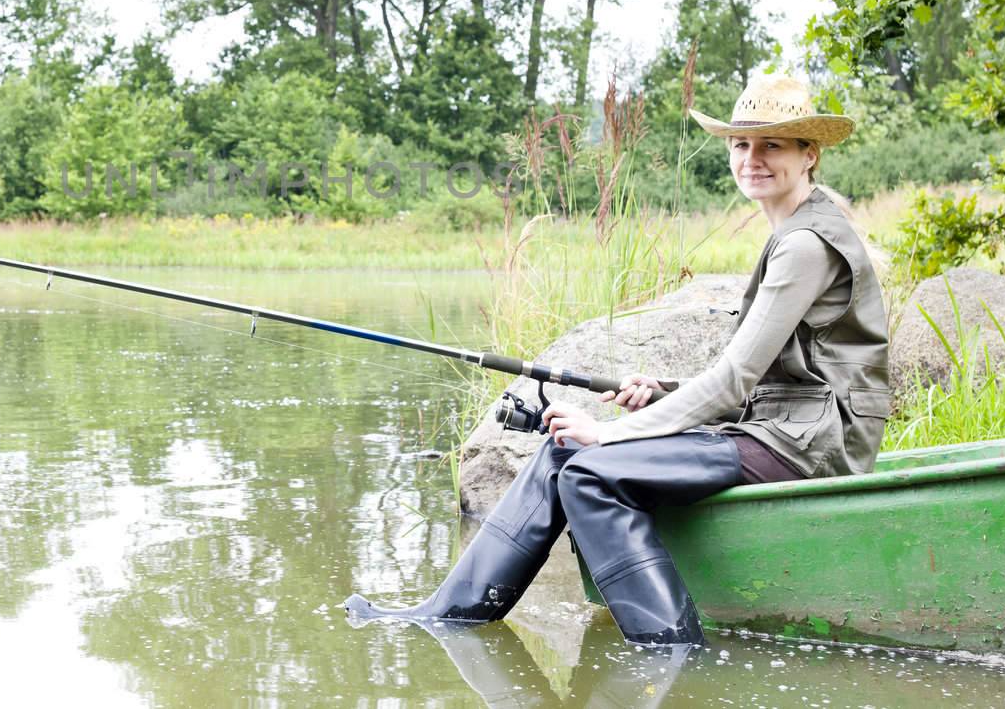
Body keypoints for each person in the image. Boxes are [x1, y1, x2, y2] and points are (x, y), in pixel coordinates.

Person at [344, 75, 892, 647]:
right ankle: (453, 612)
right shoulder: (796, 229)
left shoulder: (805, 245)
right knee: (564, 452)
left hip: (812, 446)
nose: (751, 158)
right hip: (786, 429)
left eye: (771, 145)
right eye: (740, 144)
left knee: (588, 471)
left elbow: (736, 381)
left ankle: (670, 648)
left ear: (810, 154)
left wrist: (612, 435)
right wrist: (662, 390)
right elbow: (774, 374)